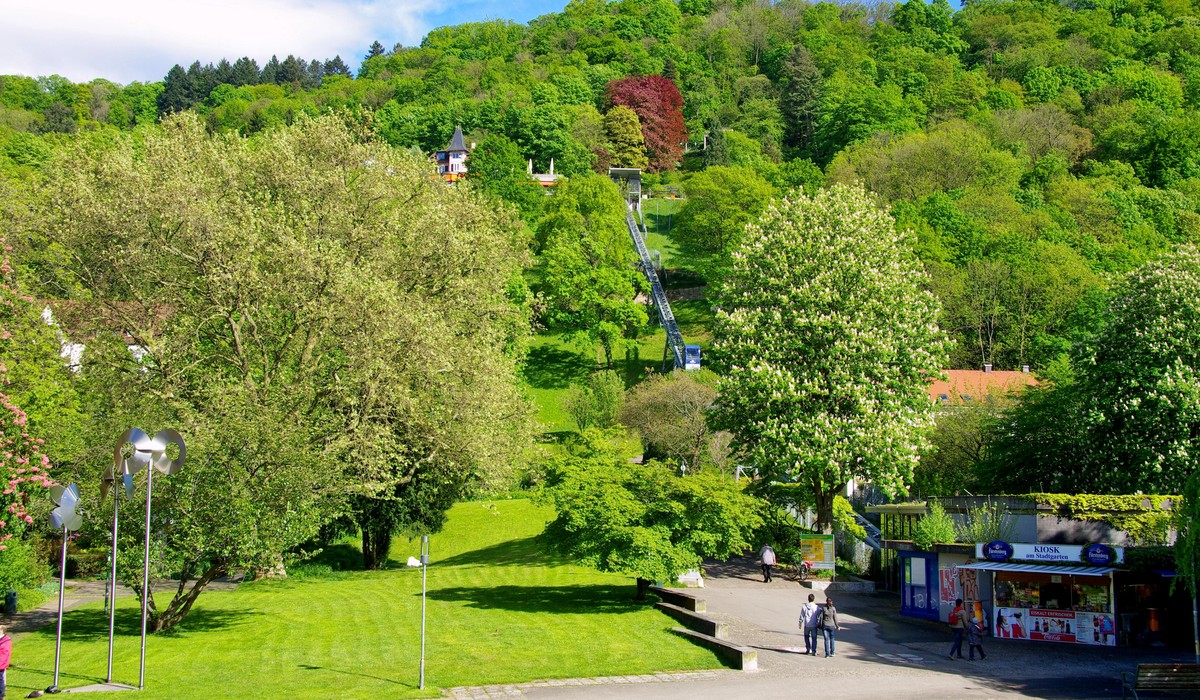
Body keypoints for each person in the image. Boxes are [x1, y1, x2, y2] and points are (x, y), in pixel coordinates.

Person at [0, 624, 11, 700]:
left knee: (0, 680)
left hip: (1, 664)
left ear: (2, 631)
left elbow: (4, 654)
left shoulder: (5, 641)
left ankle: (1, 696)